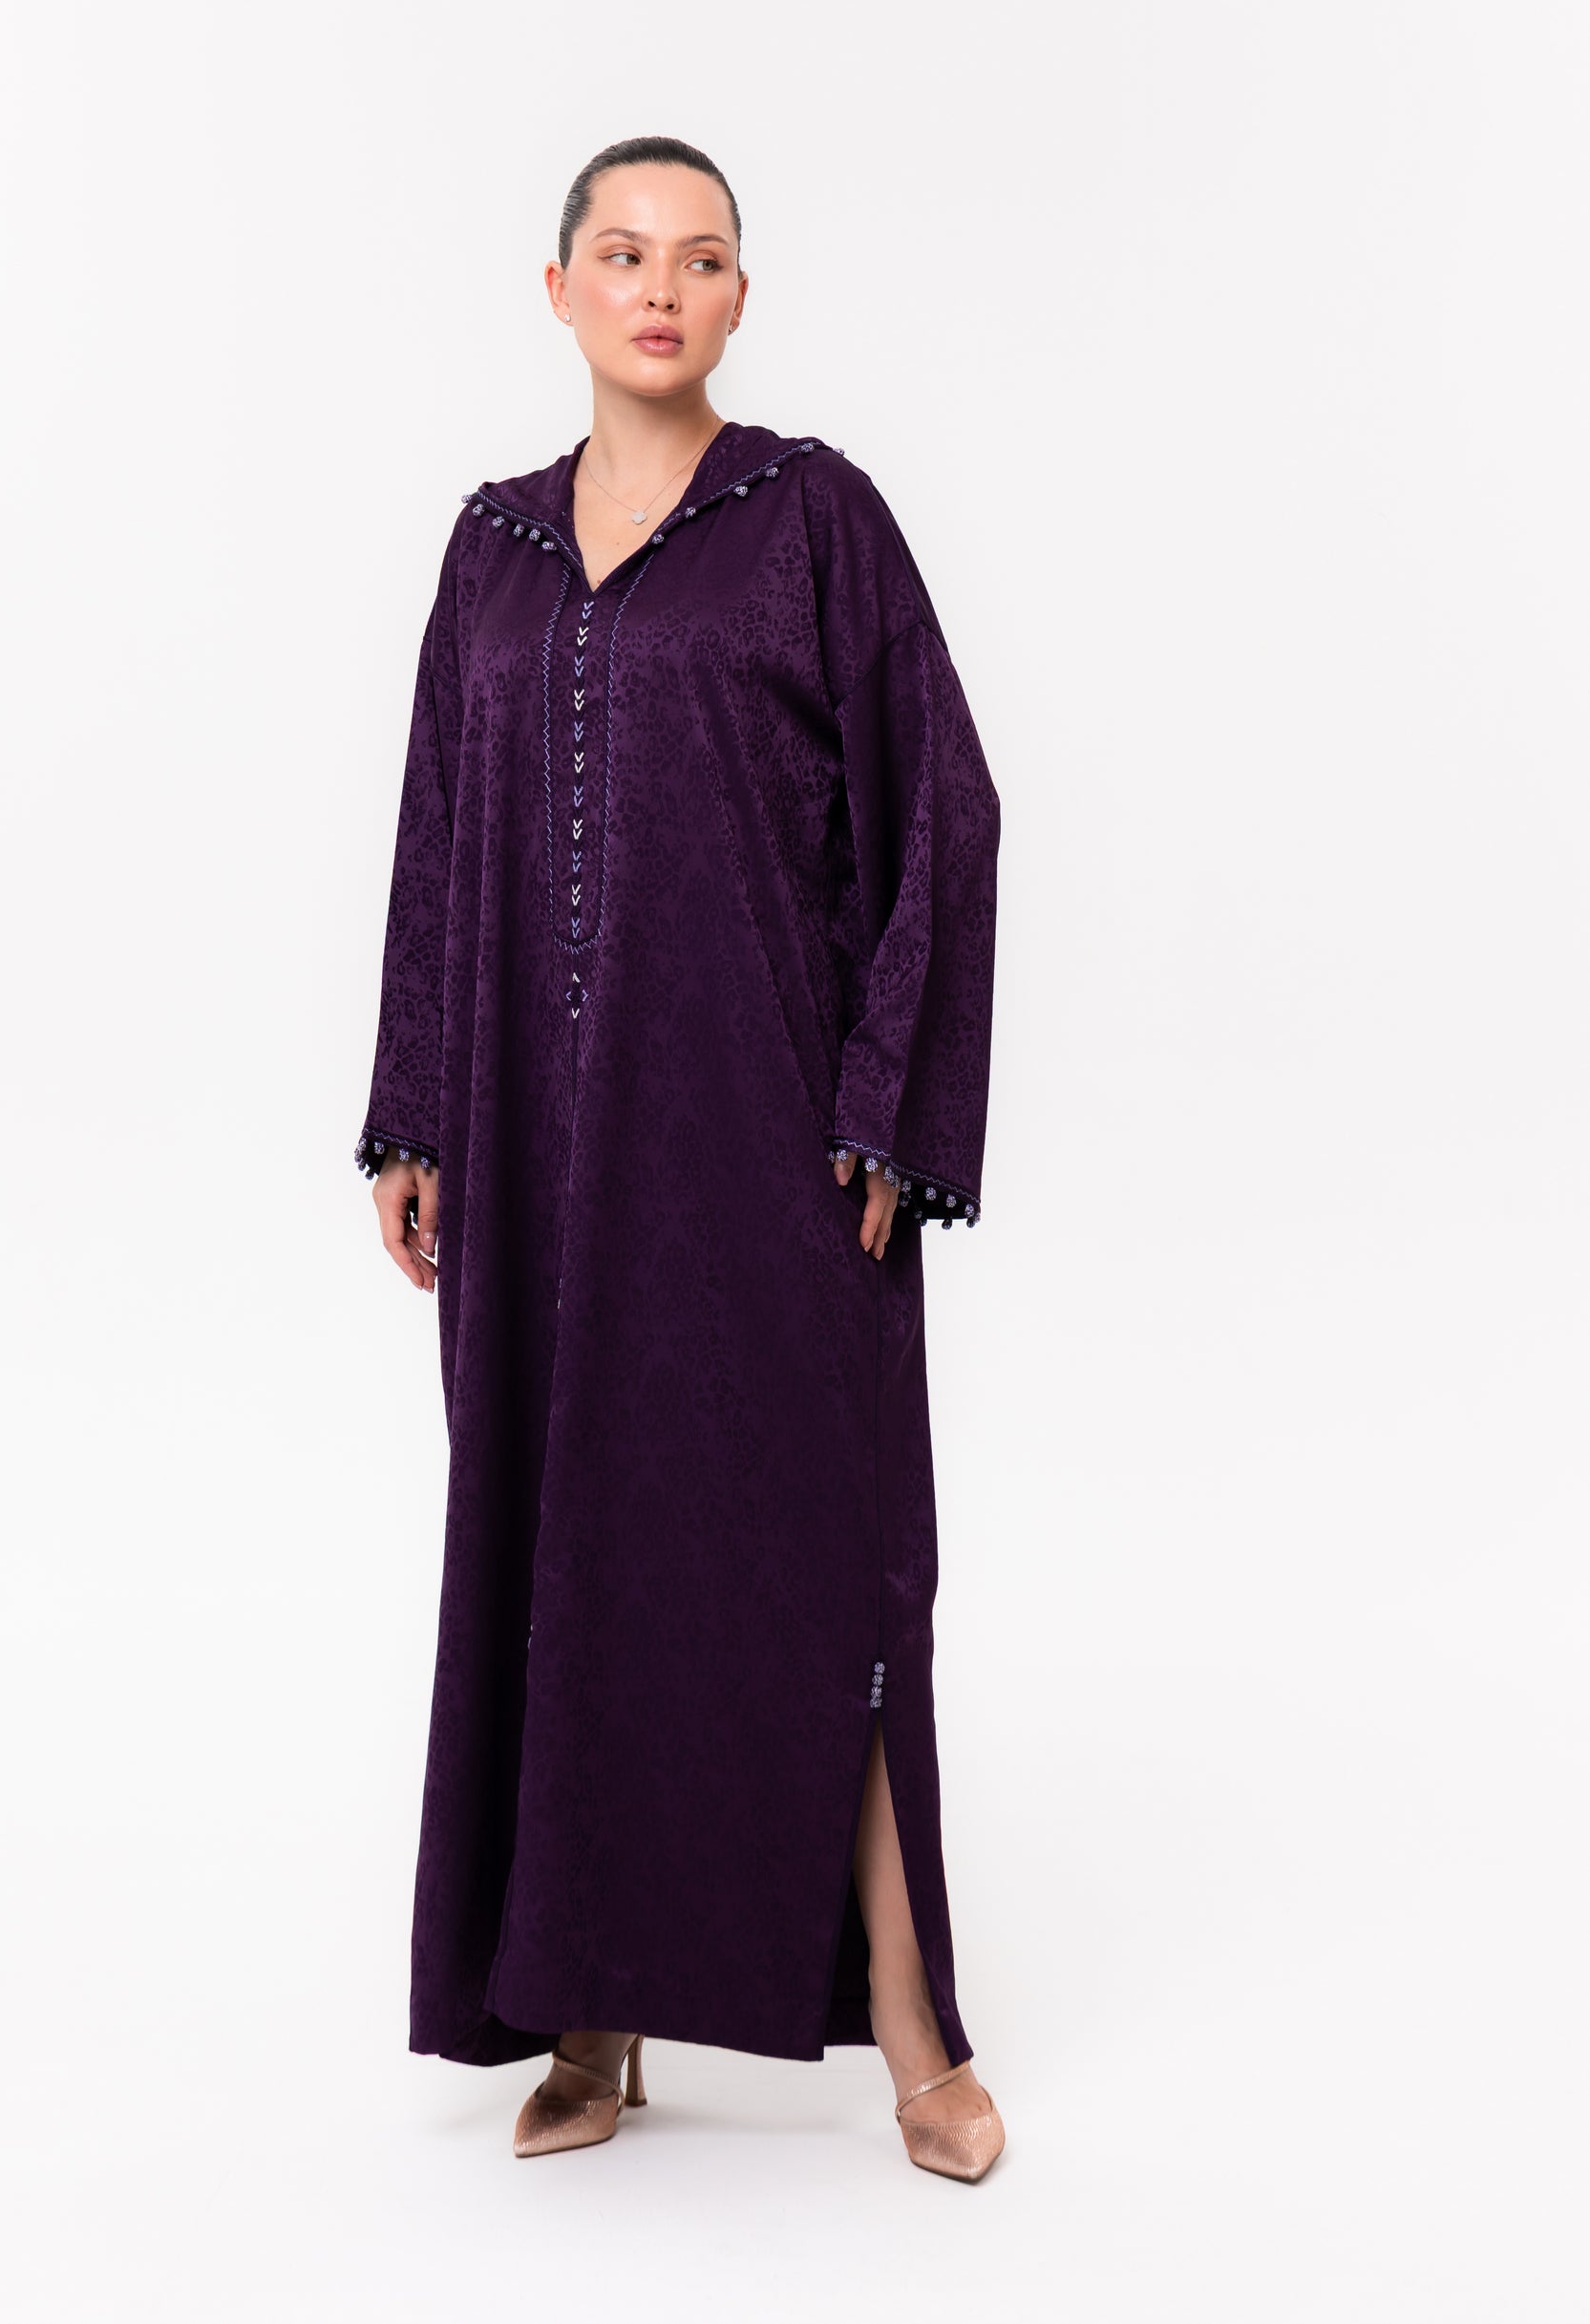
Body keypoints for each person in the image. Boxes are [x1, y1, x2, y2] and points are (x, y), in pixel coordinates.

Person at [357, 135, 1005, 2183]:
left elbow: (946, 807)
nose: (660, 286)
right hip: (537, 1158)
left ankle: (910, 2022)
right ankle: (589, 2005)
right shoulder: (489, 546)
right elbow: (437, 829)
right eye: (623, 253)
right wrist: (416, 1109)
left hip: (764, 1148)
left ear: (740, 296)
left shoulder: (809, 517)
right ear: (557, 289)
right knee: (568, 1550)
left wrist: (889, 1103)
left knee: (826, 1567)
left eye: (700, 257)